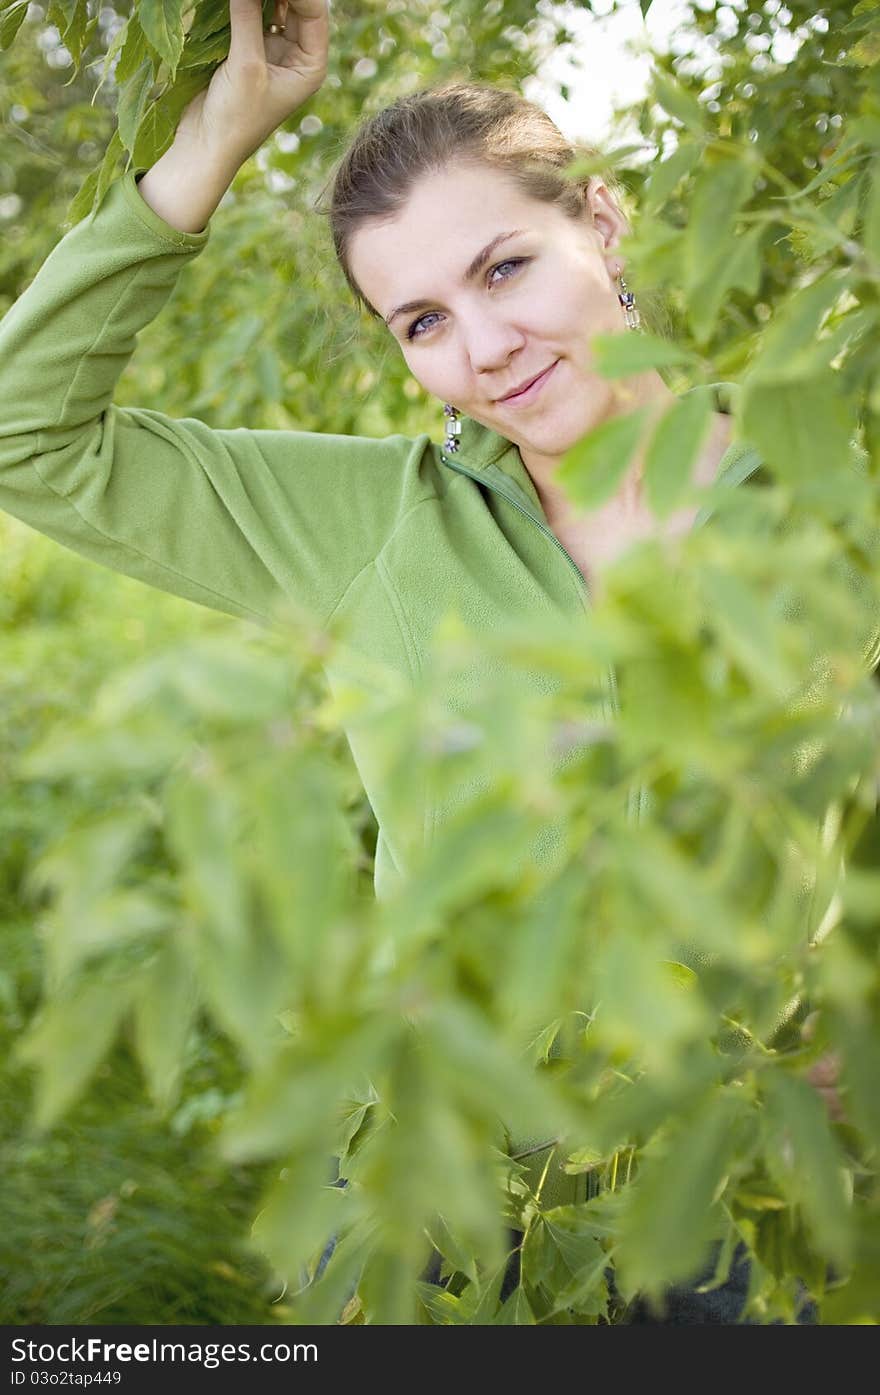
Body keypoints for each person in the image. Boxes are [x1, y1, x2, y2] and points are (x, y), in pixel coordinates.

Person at [0, 0, 831, 1322]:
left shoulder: (827, 493)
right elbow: (26, 436)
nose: (484, 348)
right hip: (434, 1203)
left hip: (748, 1205)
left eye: (505, 269)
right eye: (422, 322)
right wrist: (217, 140)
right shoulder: (374, 521)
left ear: (603, 225)